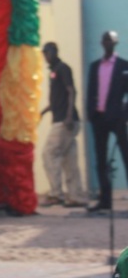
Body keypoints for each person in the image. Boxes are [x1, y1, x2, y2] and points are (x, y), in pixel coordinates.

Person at [39, 42, 88, 208]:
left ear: (53, 52)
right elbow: (55, 100)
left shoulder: (62, 68)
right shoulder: (53, 71)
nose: (45, 56)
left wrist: (68, 116)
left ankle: (55, 194)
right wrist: (43, 112)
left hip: (64, 121)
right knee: (69, 160)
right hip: (66, 120)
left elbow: (71, 91)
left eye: (46, 53)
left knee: (49, 154)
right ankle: (76, 195)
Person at [85, 30, 128, 213]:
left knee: (126, 157)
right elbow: (90, 90)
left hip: (117, 119)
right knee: (101, 160)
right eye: (105, 40)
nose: (107, 43)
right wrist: (90, 113)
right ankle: (105, 200)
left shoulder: (124, 66)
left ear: (115, 43)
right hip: (99, 118)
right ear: (102, 43)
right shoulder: (95, 66)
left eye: (110, 40)